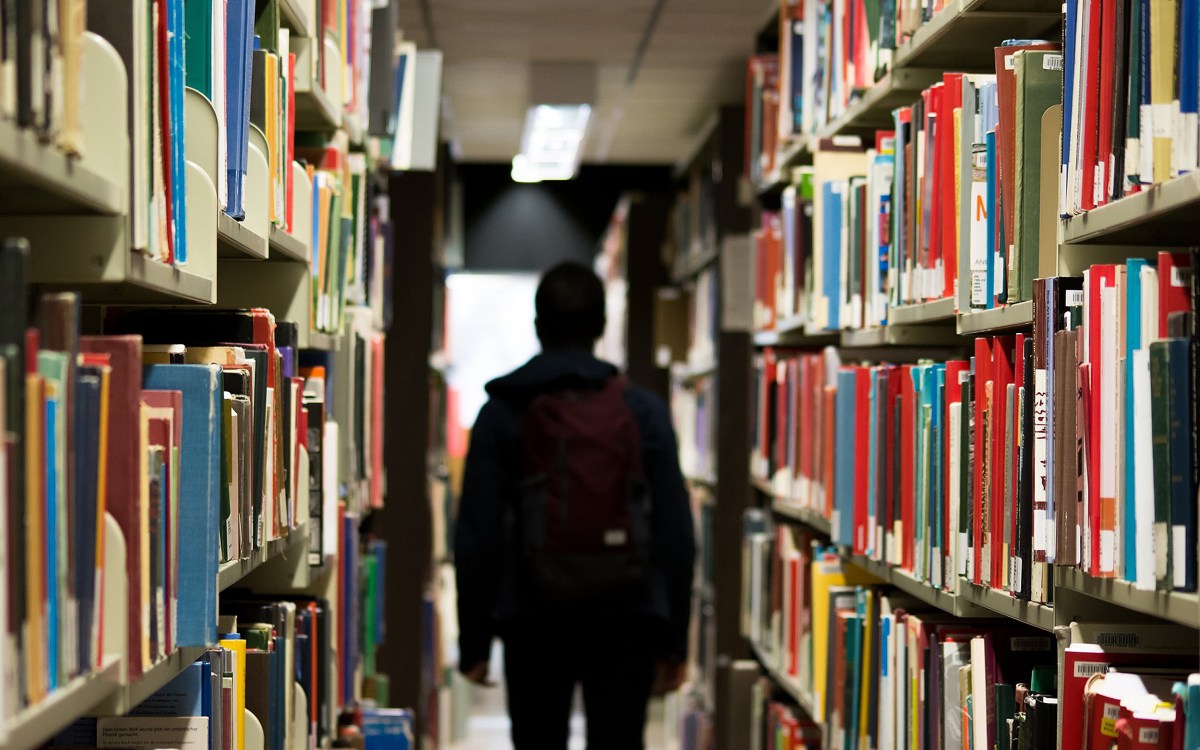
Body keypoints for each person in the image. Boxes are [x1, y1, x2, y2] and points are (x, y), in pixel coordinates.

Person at [455, 261, 696, 749]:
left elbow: (478, 533)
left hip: (532, 616)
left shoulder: (502, 411)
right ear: (602, 326)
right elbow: (675, 530)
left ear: (538, 326)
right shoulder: (642, 410)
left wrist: (475, 641)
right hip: (627, 616)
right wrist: (674, 640)